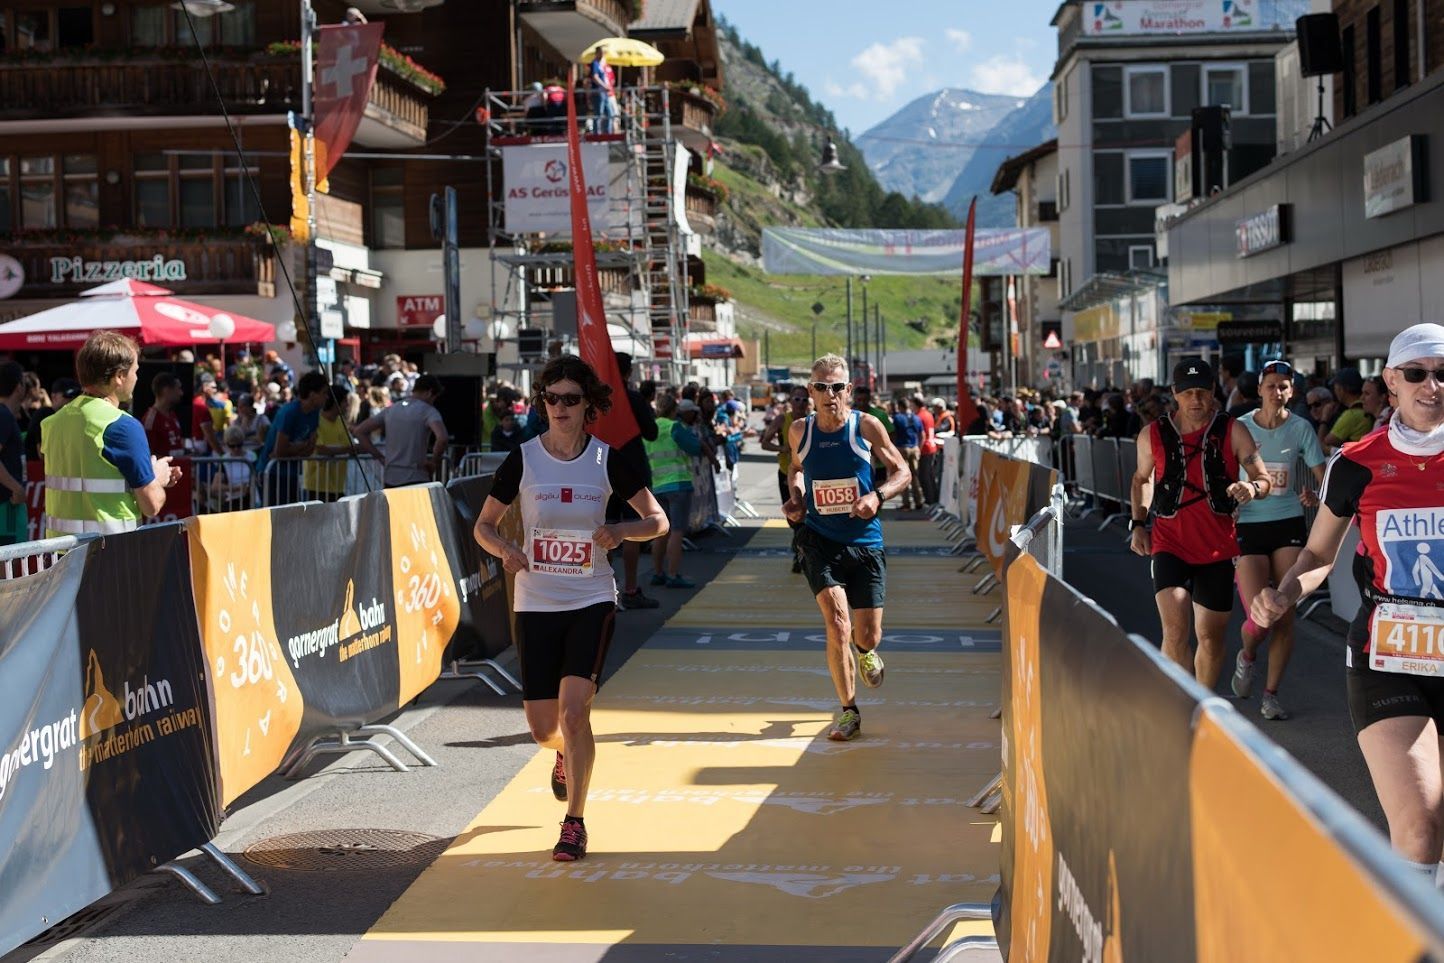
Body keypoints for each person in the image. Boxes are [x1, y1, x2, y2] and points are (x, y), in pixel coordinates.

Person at [1252, 324, 1444, 881]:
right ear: (1390, 381)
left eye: (1442, 374)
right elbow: (1316, 554)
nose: (1431, 386)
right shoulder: (1357, 462)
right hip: (1391, 655)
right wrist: (1284, 593)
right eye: (1416, 374)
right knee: (1419, 826)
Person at [472, 354, 668, 862]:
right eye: (551, 398)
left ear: (588, 406)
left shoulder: (607, 460)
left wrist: (621, 530)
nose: (560, 407)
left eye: (570, 399)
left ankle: (574, 822)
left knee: (576, 714)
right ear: (542, 404)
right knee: (544, 729)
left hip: (591, 596)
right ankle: (561, 755)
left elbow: (658, 521)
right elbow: (484, 526)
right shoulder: (524, 458)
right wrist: (505, 551)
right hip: (536, 600)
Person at [783, 355, 912, 741]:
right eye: (821, 387)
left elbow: (902, 471)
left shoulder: (865, 426)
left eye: (837, 387)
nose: (829, 394)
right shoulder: (799, 431)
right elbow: (797, 468)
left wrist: (877, 495)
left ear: (849, 391)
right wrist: (797, 497)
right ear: (810, 392)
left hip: (864, 541)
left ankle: (867, 649)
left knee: (866, 634)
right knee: (836, 621)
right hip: (818, 538)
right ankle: (848, 710)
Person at [1129, 358, 1272, 687]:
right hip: (1170, 542)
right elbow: (1142, 479)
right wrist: (1138, 523)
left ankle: (1205, 704)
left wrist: (1251, 488)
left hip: (1217, 549)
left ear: (1214, 394)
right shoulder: (1153, 434)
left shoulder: (1232, 430)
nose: (1196, 400)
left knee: (1209, 638)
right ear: (1175, 395)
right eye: (1189, 393)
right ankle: (1182, 705)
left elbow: (1263, 478)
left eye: (1203, 393)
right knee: (1176, 631)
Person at [1229, 360, 1328, 720]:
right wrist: (1229, 499)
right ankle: (1247, 655)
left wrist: (1315, 496)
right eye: (1271, 385)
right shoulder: (1240, 427)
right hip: (1250, 526)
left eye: (1284, 386)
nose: (1278, 392)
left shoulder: (1301, 428)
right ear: (1260, 390)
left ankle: (1270, 694)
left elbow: (1323, 476)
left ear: (1292, 391)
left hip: (1287, 523)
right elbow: (1223, 470)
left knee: (1284, 613)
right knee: (1259, 617)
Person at [41, 331, 181, 538]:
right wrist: (156, 477)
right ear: (119, 376)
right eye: (135, 370)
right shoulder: (123, 426)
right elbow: (151, 505)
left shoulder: (52, 423)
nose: (136, 377)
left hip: (61, 554)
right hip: (110, 554)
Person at [608, 353, 662, 611]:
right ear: (628, 374)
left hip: (600, 467)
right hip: (631, 469)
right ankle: (630, 588)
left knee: (602, 527)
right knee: (632, 530)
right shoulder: (633, 398)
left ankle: (604, 590)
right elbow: (651, 433)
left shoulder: (597, 399)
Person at [646, 395, 706, 588]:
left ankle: (658, 573)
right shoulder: (674, 427)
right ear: (674, 411)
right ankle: (672, 574)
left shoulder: (650, 429)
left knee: (660, 531)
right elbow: (695, 447)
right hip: (679, 483)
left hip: (657, 485)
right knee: (677, 531)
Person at [354, 374, 448, 489]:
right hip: (416, 478)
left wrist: (378, 456)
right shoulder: (429, 411)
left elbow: (359, 431)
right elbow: (442, 438)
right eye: (434, 398)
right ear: (429, 392)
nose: (433, 402)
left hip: (390, 479)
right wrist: (434, 462)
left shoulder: (391, 409)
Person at [257, 371, 328, 505]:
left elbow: (309, 449)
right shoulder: (289, 412)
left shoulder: (315, 413)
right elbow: (280, 451)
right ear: (312, 395)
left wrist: (294, 449)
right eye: (324, 393)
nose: (327, 397)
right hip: (271, 473)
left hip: (291, 473)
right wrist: (301, 447)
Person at [302, 394, 353, 503]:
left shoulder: (341, 422)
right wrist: (345, 450)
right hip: (315, 485)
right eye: (345, 401)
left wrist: (339, 450)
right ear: (336, 403)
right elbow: (321, 449)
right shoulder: (316, 420)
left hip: (337, 486)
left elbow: (350, 447)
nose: (348, 405)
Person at [0, 363, 27, 545]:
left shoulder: (6, 414)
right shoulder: (3, 415)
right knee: (9, 568)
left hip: (9, 504)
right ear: (19, 386)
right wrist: (16, 487)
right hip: (6, 504)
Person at [210, 426, 256, 511]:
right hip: (233, 502)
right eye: (232, 446)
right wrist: (238, 488)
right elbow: (215, 486)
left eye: (239, 445)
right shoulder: (224, 460)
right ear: (226, 444)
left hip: (252, 500)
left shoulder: (252, 456)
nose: (236, 448)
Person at [141, 373, 186, 459]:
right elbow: (148, 454)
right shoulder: (151, 419)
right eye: (178, 389)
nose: (181, 393)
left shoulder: (172, 415)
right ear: (166, 390)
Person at [1324, 367, 1371, 449]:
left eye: (1335, 387)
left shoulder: (1351, 415)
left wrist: (1324, 419)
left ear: (1341, 389)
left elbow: (1326, 442)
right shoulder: (1367, 408)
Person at [890, 399, 924, 511]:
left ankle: (906, 503)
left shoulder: (897, 418)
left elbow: (893, 433)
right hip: (914, 447)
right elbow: (922, 434)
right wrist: (919, 447)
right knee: (915, 476)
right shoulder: (916, 417)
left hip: (901, 447)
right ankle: (919, 500)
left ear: (900, 406)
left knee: (903, 475)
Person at [912, 396, 939, 507]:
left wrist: (918, 448)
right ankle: (933, 497)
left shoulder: (919, 416)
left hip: (925, 448)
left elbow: (921, 435)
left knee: (924, 476)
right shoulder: (928, 414)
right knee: (930, 475)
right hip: (931, 446)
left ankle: (929, 499)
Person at [588, 47, 616, 134]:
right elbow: (595, 77)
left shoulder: (601, 64)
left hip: (604, 93)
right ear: (597, 53)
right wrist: (604, 86)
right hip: (598, 92)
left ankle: (608, 133)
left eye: (603, 52)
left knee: (610, 114)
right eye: (601, 52)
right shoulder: (595, 63)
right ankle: (597, 134)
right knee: (598, 113)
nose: (602, 54)